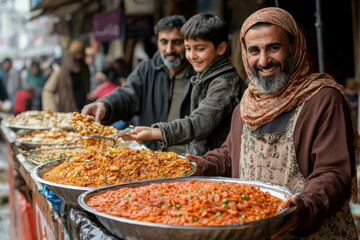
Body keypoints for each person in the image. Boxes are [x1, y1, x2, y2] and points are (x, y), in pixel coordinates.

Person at [185, 7, 358, 239]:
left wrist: (302, 209)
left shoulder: (323, 100)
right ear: (245, 55)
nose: (264, 61)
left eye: (274, 48)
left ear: (294, 48)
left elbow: (333, 174)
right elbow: (231, 154)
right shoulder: (247, 104)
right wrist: (201, 165)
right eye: (254, 51)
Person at [123, 13, 246, 156]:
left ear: (220, 48)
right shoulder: (205, 75)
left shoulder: (225, 82)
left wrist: (156, 132)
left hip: (219, 164)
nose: (192, 55)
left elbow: (200, 123)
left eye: (200, 49)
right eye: (188, 48)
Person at [82, 15, 196, 152]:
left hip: (190, 157)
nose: (169, 49)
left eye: (177, 42)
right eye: (164, 42)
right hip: (152, 156)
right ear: (157, 42)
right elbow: (127, 95)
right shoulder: (146, 69)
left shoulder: (198, 74)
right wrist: (105, 105)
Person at [42, 40, 90, 112]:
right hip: (64, 111)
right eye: (77, 54)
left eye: (81, 54)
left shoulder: (85, 70)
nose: (79, 56)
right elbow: (48, 91)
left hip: (82, 110)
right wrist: (52, 111)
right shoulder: (61, 71)